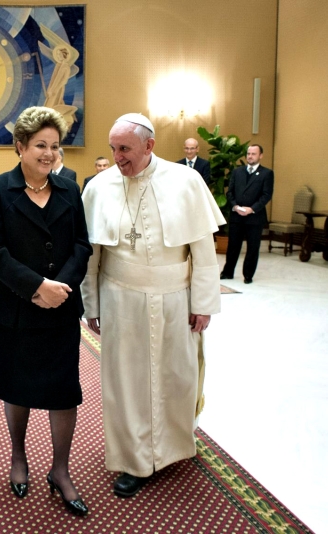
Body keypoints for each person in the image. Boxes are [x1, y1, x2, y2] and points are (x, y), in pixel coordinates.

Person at [81, 113, 224, 498]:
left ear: (150, 146)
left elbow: (204, 252)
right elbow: (92, 255)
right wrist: (90, 304)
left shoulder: (187, 181)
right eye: (112, 149)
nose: (117, 158)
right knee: (126, 382)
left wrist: (205, 303)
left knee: (177, 375)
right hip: (120, 298)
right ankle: (134, 459)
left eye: (124, 149)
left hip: (176, 297)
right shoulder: (98, 186)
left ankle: (174, 447)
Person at [0, 106, 93, 516]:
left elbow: (82, 245)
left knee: (64, 391)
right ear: (20, 147)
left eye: (54, 146)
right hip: (12, 309)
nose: (48, 153)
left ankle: (60, 470)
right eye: (40, 145)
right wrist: (36, 287)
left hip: (60, 308)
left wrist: (59, 287)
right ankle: (18, 457)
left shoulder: (69, 189)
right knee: (17, 386)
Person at [220, 144, 274, 284]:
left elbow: (266, 195)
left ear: (260, 155)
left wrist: (252, 209)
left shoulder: (266, 174)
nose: (250, 156)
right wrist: (235, 206)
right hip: (237, 215)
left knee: (252, 247)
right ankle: (228, 272)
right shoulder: (237, 172)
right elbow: (230, 192)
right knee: (233, 246)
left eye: (253, 154)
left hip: (255, 217)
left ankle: (248, 275)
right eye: (248, 153)